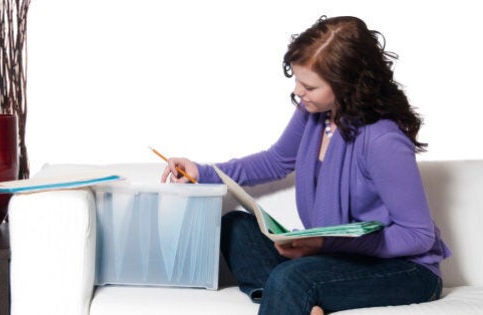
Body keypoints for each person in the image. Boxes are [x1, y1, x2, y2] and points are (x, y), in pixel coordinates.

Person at [161, 16, 451, 315]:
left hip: (403, 271)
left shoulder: (383, 141)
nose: (299, 91)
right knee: (235, 227)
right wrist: (203, 172)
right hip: (333, 256)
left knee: (291, 278)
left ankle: (292, 296)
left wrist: (324, 244)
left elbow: (418, 236)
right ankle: (302, 303)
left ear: (347, 85)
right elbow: (276, 161)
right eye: (297, 80)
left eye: (310, 86)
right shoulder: (315, 113)